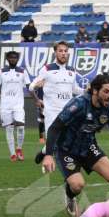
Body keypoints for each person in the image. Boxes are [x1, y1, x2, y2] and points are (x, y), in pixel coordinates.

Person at [41, 74, 109, 217]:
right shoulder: (78, 105)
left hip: (88, 146)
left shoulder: (108, 111)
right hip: (66, 150)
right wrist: (48, 155)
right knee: (77, 185)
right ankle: (70, 196)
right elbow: (54, 128)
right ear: (95, 91)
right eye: (106, 91)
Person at [29, 41, 84, 179]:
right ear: (55, 52)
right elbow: (30, 87)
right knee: (56, 144)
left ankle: (44, 151)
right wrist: (36, 94)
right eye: (60, 51)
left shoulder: (72, 70)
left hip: (69, 113)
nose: (63, 53)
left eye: (65, 51)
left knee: (68, 144)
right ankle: (50, 158)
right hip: (52, 113)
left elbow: (75, 89)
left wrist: (88, 91)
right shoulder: (47, 69)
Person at [0, 51, 35, 161]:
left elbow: (29, 86)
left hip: (18, 105)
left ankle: (19, 149)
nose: (13, 59)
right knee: (9, 129)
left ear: (17, 59)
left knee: (21, 127)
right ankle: (12, 154)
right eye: (11, 58)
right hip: (5, 105)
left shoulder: (22, 71)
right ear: (7, 59)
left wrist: (36, 99)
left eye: (15, 57)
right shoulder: (2, 71)